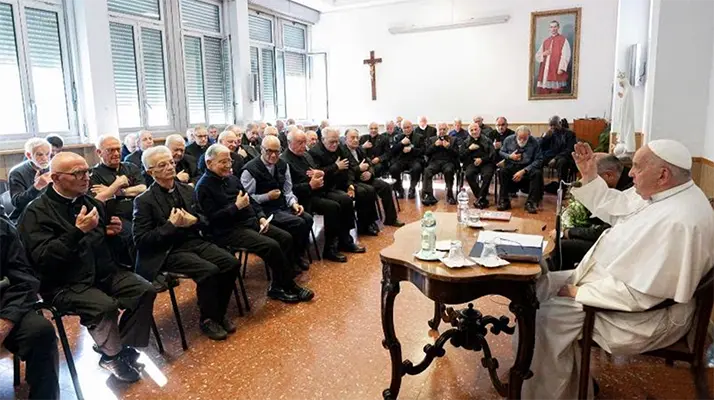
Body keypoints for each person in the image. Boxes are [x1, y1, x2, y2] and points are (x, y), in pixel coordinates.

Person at [523, 139, 714, 400]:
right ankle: (549, 378)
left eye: (636, 167)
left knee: (543, 317)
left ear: (663, 174)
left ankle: (551, 394)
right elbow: (617, 208)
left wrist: (580, 293)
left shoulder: (680, 221)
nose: (630, 173)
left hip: (640, 315)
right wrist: (589, 174)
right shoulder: (666, 193)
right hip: (612, 284)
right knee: (534, 285)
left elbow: (646, 294)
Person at [18, 152, 156, 383]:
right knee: (105, 306)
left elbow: (106, 244)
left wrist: (115, 234)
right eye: (78, 173)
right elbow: (42, 259)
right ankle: (113, 355)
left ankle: (117, 347)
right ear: (56, 178)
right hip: (65, 284)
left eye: (87, 171)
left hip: (102, 273)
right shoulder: (35, 213)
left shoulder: (90, 202)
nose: (86, 178)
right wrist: (77, 232)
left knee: (145, 290)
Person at [133, 146, 240, 340]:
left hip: (193, 241)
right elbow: (141, 241)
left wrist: (195, 221)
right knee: (208, 270)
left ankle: (218, 312)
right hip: (168, 250)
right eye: (162, 165)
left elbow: (205, 221)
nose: (169, 167)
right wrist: (169, 226)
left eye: (171, 162)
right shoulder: (144, 201)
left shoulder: (187, 189)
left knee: (231, 263)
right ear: (150, 172)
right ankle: (208, 319)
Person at [195, 144, 314, 303]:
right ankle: (288, 285)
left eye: (229, 161)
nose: (228, 166)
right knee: (271, 246)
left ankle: (279, 285)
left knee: (285, 237)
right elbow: (212, 219)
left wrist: (261, 217)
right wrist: (235, 207)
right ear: (209, 163)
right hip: (227, 230)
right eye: (223, 162)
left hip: (249, 222)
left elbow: (250, 201)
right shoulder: (203, 187)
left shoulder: (231, 179)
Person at [0, 217, 60, 399]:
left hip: (4, 305)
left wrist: (6, 321)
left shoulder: (3, 227)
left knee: (41, 332)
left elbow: (24, 279)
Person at [281, 130, 357, 263]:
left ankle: (345, 239)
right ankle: (330, 248)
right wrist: (310, 185)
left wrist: (319, 174)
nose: (304, 146)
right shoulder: (284, 160)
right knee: (332, 207)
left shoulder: (306, 155)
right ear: (289, 143)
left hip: (319, 191)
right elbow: (288, 189)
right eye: (299, 143)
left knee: (345, 199)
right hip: (303, 198)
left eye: (305, 142)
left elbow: (318, 170)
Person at [241, 136, 312, 272]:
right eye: (269, 151)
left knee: (307, 218)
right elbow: (247, 199)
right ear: (261, 150)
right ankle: (288, 261)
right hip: (263, 211)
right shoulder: (249, 170)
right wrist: (266, 196)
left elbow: (288, 189)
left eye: (277, 151)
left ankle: (296, 255)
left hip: (281, 206)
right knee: (297, 223)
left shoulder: (283, 164)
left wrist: (293, 203)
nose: (273, 155)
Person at [551, 154, 633, 271]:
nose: (583, 181)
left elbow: (603, 230)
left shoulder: (630, 191)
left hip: (616, 247)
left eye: (591, 177)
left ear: (608, 175)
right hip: (606, 234)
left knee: (563, 246)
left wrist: (569, 232)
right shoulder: (619, 181)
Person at [311, 127, 380, 237]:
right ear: (323, 139)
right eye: (331, 142)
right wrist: (336, 166)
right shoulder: (315, 152)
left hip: (342, 182)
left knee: (369, 190)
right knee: (348, 198)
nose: (335, 144)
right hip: (326, 188)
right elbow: (318, 173)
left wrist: (350, 185)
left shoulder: (339, 149)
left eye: (337, 141)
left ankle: (366, 224)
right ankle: (345, 236)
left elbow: (348, 169)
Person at [90, 135, 147, 265]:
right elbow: (99, 198)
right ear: (99, 152)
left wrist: (117, 191)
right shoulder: (94, 174)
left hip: (138, 212)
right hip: (115, 217)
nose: (116, 153)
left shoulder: (130, 167)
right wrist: (117, 183)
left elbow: (143, 188)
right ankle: (139, 271)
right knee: (134, 234)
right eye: (110, 150)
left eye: (118, 149)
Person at [344, 129, 403, 227]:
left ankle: (391, 219)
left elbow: (369, 163)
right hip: (353, 181)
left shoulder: (359, 149)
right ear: (345, 139)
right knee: (368, 191)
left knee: (385, 186)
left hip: (366, 178)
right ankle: (368, 223)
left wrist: (370, 173)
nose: (355, 140)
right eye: (352, 138)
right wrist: (359, 169)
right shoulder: (342, 152)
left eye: (357, 138)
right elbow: (346, 172)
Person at [497, 126, 544, 214]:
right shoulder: (508, 140)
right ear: (516, 135)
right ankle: (504, 201)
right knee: (503, 171)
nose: (522, 141)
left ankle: (531, 203)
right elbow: (501, 152)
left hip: (527, 167)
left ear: (529, 136)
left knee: (537, 173)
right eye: (520, 138)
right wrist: (509, 156)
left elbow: (539, 160)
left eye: (524, 138)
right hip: (512, 166)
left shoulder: (534, 142)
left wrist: (524, 171)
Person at [8, 138, 52, 223]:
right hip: (27, 216)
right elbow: (18, 203)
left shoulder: (53, 168)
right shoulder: (17, 173)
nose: (45, 158)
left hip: (50, 213)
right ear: (29, 155)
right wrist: (37, 187)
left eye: (48, 154)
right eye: (40, 155)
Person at [460, 123, 496, 209]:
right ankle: (481, 197)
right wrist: (469, 149)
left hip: (486, 163)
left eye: (475, 129)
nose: (474, 132)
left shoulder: (487, 140)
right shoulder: (465, 142)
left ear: (479, 130)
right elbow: (461, 157)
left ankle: (480, 198)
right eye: (471, 130)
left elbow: (493, 155)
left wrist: (482, 160)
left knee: (488, 174)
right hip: (472, 163)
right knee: (469, 174)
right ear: (469, 132)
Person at [422, 122, 459, 206]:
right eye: (440, 129)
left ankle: (450, 195)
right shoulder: (431, 139)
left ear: (447, 130)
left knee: (449, 170)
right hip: (435, 162)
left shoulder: (453, 139)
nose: (442, 131)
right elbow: (426, 153)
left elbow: (457, 154)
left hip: (448, 162)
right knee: (427, 171)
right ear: (437, 130)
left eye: (444, 129)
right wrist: (434, 145)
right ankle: (429, 196)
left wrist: (449, 147)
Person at [389, 120, 425, 199]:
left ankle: (412, 189)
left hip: (414, 159)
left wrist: (411, 150)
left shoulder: (419, 137)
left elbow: (423, 151)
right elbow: (392, 151)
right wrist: (401, 143)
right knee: (393, 169)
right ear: (402, 129)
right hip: (401, 160)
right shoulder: (398, 137)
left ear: (412, 127)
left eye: (408, 127)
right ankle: (399, 189)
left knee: (417, 168)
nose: (406, 130)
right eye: (404, 128)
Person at [535, 19, 572, 94]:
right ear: (549, 28)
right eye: (551, 27)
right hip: (545, 69)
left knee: (556, 90)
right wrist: (543, 54)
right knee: (544, 89)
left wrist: (561, 68)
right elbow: (537, 56)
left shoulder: (563, 40)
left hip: (556, 69)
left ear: (558, 27)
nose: (553, 29)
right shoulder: (546, 41)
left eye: (555, 27)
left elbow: (566, 55)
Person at [541, 115, 577, 183]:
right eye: (551, 125)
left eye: (555, 125)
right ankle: (538, 186)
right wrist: (545, 138)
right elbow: (542, 147)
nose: (553, 127)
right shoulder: (550, 133)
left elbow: (569, 150)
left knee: (562, 162)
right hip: (551, 156)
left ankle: (562, 186)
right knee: (538, 160)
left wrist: (556, 158)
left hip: (565, 157)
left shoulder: (569, 134)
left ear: (560, 123)